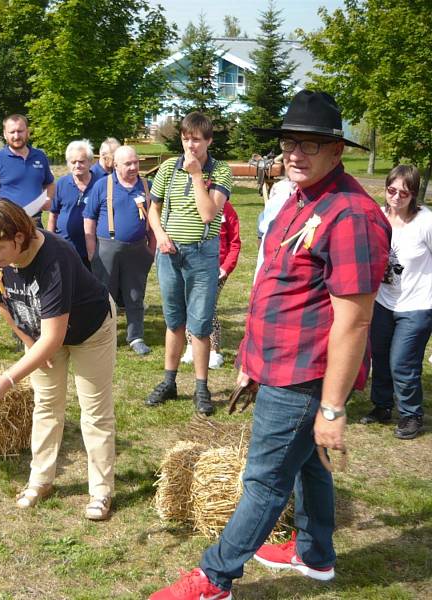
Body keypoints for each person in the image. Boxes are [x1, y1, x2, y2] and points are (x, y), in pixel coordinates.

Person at [148, 90, 390, 600]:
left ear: (336, 150)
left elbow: (354, 322)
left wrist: (331, 408)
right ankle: (315, 554)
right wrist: (250, 361)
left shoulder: (352, 215)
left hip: (304, 375)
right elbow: (278, 287)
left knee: (264, 481)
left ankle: (215, 579)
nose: (295, 153)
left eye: (310, 143)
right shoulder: (298, 197)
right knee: (306, 464)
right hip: (276, 362)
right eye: (288, 142)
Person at [0, 199, 117, 521]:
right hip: (41, 334)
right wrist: (29, 342)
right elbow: (2, 303)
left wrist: (9, 378)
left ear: (20, 238)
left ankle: (101, 491)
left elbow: (55, 337)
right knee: (46, 406)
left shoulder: (55, 257)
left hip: (89, 331)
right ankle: (40, 480)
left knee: (94, 411)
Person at [145, 111, 232, 415]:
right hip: (169, 254)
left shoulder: (220, 172)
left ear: (208, 140)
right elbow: (153, 209)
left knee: (200, 323)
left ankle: (201, 387)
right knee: (174, 321)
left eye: (196, 140)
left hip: (201, 253)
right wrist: (159, 234)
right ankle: (169, 382)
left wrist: (196, 176)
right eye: (185, 139)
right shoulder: (168, 168)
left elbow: (209, 214)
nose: (190, 145)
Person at [0, 114, 55, 360]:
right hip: (3, 231)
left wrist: (47, 199)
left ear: (27, 131)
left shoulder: (40, 157)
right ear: (5, 135)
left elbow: (50, 185)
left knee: (30, 284)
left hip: (33, 228)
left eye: (20, 131)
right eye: (12, 132)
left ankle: (26, 335)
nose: (16, 136)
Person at [360, 165, 430, 440]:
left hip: (418, 304)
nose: (397, 197)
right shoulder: (378, 217)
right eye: (391, 190)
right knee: (380, 355)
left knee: (402, 361)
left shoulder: (425, 222)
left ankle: (412, 414)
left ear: (413, 194)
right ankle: (382, 406)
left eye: (405, 192)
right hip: (384, 301)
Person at [84, 145, 154, 356]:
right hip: (107, 247)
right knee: (106, 294)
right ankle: (103, 335)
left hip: (138, 249)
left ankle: (136, 336)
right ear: (115, 165)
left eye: (136, 162)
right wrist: (91, 252)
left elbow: (156, 219)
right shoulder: (101, 186)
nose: (134, 167)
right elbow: (89, 219)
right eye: (128, 164)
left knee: (135, 294)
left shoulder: (146, 186)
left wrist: (151, 250)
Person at [181, 200, 241, 369]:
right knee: (190, 305)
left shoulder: (227, 209)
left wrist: (226, 267)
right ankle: (191, 346)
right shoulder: (190, 206)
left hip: (217, 270)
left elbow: (235, 243)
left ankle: (214, 351)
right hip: (192, 265)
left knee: (208, 307)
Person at [47, 139, 96, 269]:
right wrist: (49, 243)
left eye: (81, 161)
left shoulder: (100, 184)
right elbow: (53, 216)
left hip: (93, 249)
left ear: (90, 162)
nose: (77, 165)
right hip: (65, 249)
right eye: (73, 162)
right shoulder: (61, 184)